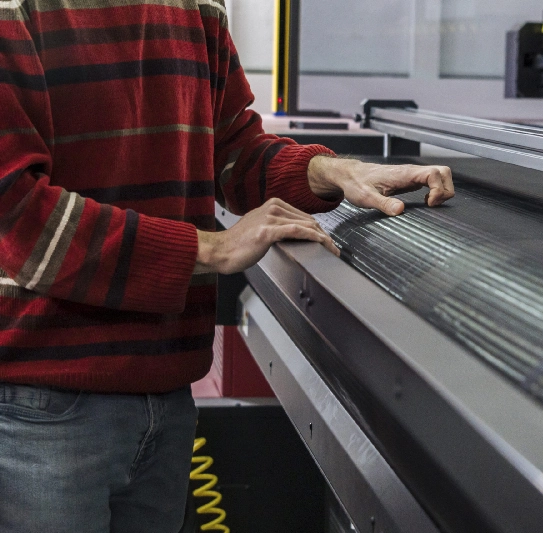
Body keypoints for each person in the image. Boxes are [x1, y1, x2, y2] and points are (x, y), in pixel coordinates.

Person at [0, 0, 454, 529]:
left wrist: (333, 172)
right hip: (41, 408)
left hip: (165, 395)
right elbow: (16, 215)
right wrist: (211, 249)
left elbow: (231, 148)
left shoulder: (197, 6)